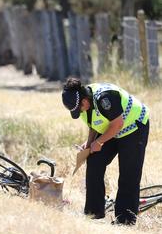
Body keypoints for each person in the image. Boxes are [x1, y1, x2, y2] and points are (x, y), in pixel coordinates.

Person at [62, 77, 150, 225]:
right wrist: (89, 143)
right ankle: (93, 212)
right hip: (113, 129)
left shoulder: (105, 98)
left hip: (133, 127)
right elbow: (93, 123)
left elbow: (117, 124)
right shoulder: (84, 102)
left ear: (84, 102)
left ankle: (125, 219)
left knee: (128, 173)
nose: (79, 112)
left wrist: (99, 141)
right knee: (94, 160)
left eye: (79, 109)